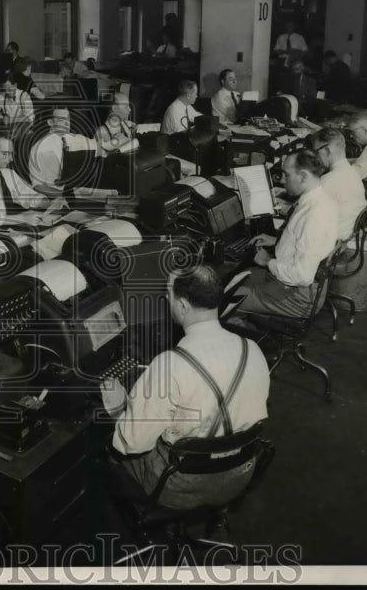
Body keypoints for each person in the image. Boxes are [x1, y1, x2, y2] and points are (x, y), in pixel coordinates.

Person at [107, 264, 270, 510]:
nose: (166, 299)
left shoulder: (169, 366)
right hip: (240, 475)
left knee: (108, 444)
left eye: (168, 294)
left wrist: (118, 407)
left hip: (181, 487)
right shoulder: (253, 350)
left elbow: (132, 444)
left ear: (182, 306)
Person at [234, 150, 339, 319]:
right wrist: (278, 240)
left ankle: (243, 332)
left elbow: (302, 276)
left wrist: (267, 261)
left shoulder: (314, 215)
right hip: (294, 284)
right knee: (237, 278)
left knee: (222, 299)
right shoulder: (321, 199)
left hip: (297, 297)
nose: (282, 180)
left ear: (303, 176)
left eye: (286, 175)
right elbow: (308, 242)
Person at [0, 129, 57, 228]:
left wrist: (48, 203)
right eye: (5, 154)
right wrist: (23, 218)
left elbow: (26, 194)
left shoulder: (8, 173)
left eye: (11, 154)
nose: (11, 159)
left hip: (9, 227)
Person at [311, 128, 367, 242]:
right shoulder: (352, 172)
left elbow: (305, 213)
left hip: (332, 241)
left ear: (327, 151)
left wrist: (279, 205)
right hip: (348, 234)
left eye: (316, 152)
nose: (315, 157)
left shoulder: (329, 180)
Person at [28, 108, 72, 196]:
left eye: (68, 118)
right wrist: (65, 196)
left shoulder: (70, 140)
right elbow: (38, 186)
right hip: (57, 197)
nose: (67, 123)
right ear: (50, 122)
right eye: (61, 119)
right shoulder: (41, 148)